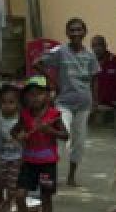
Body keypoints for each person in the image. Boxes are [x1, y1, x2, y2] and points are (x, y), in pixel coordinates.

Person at [41, 18, 100, 188]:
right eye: (72, 30)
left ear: (84, 32)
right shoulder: (59, 51)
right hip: (63, 102)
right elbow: (38, 63)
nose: (75, 33)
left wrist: (95, 101)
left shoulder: (90, 55)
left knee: (79, 142)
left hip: (83, 103)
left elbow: (95, 78)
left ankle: (71, 175)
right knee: (61, 133)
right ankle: (47, 170)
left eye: (79, 30)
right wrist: (52, 81)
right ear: (67, 33)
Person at [18, 75, 68, 212]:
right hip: (28, 161)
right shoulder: (25, 114)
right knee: (20, 195)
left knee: (46, 197)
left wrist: (50, 131)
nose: (35, 98)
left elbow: (65, 135)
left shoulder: (54, 115)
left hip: (47, 163)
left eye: (39, 94)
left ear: (47, 95)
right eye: (30, 94)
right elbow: (15, 131)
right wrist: (20, 135)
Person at [0, 82, 26, 212]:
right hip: (1, 156)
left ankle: (9, 203)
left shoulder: (21, 119)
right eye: (3, 102)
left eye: (11, 102)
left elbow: (26, 138)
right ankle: (2, 202)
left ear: (18, 103)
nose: (7, 105)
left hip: (16, 157)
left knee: (12, 184)